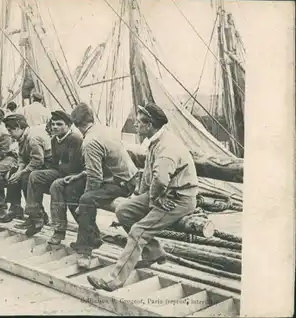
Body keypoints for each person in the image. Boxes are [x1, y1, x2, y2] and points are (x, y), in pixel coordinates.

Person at [86, 103, 199, 291]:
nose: (135, 125)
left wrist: (154, 198)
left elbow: (161, 179)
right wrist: (141, 196)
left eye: (139, 122)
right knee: (123, 211)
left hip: (178, 199)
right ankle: (154, 253)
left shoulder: (166, 148)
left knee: (138, 231)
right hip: (162, 193)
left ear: (150, 125)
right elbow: (150, 175)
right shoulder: (156, 140)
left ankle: (114, 280)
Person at [70, 103, 139, 268]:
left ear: (77, 125)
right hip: (122, 176)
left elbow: (94, 178)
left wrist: (81, 203)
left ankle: (85, 250)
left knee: (86, 199)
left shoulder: (90, 142)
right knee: (70, 189)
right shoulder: (103, 129)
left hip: (122, 183)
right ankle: (93, 236)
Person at [16, 110, 84, 237]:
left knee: (56, 187)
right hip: (61, 172)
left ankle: (59, 228)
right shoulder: (54, 140)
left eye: (59, 124)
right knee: (34, 175)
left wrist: (57, 167)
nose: (55, 127)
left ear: (68, 126)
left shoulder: (74, 139)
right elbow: (55, 163)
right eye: (53, 124)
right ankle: (36, 216)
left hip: (76, 176)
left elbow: (73, 166)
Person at [0, 113, 52, 223]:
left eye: (10, 131)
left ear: (18, 128)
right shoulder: (22, 138)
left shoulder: (33, 138)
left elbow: (38, 161)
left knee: (26, 178)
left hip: (48, 166)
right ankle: (15, 207)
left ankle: (37, 214)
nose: (9, 134)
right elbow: (22, 158)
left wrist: (22, 172)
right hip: (36, 165)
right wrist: (18, 171)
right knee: (14, 173)